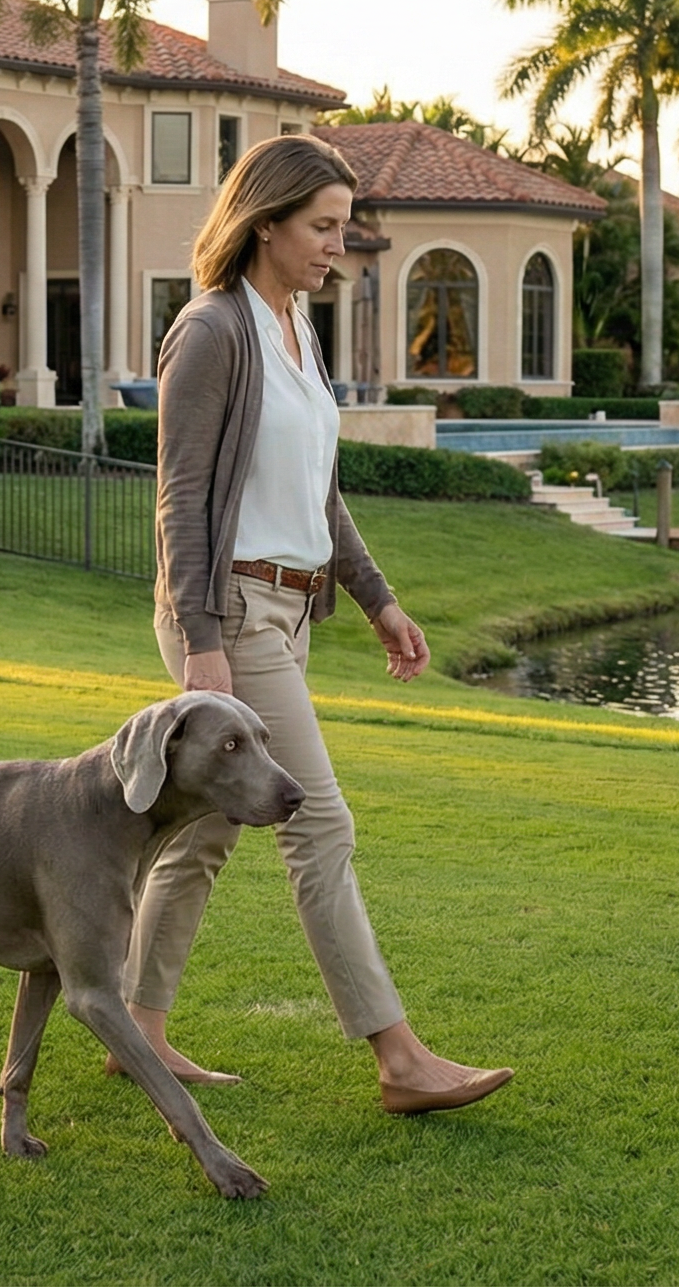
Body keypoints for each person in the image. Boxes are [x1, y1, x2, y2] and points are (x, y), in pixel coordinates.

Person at [130, 133, 513, 1115]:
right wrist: (203, 642)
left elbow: (320, 493)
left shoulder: (297, 326)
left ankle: (135, 1030)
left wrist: (378, 598)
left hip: (291, 609)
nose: (338, 246)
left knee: (202, 835)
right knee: (318, 821)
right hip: (230, 615)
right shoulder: (212, 331)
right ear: (266, 223)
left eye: (343, 227)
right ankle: (399, 1060)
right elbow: (179, 499)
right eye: (323, 226)